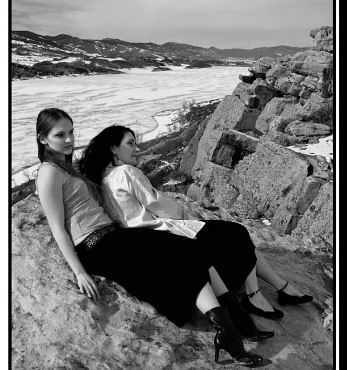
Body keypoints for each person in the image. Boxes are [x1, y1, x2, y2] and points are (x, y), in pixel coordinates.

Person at [35, 108, 266, 366]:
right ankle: (231, 332)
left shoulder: (65, 167)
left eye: (71, 132)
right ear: (43, 139)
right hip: (94, 244)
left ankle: (233, 325)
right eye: (60, 135)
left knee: (189, 249)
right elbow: (57, 227)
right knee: (180, 254)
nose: (68, 139)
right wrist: (78, 272)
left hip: (112, 236)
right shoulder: (48, 172)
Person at [77, 125, 314, 321]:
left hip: (140, 238)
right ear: (113, 149)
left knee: (233, 234)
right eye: (130, 143)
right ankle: (256, 295)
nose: (137, 149)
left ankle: (280, 288)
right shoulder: (127, 172)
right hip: (161, 232)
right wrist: (186, 215)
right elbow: (159, 204)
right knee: (236, 232)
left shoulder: (99, 179)